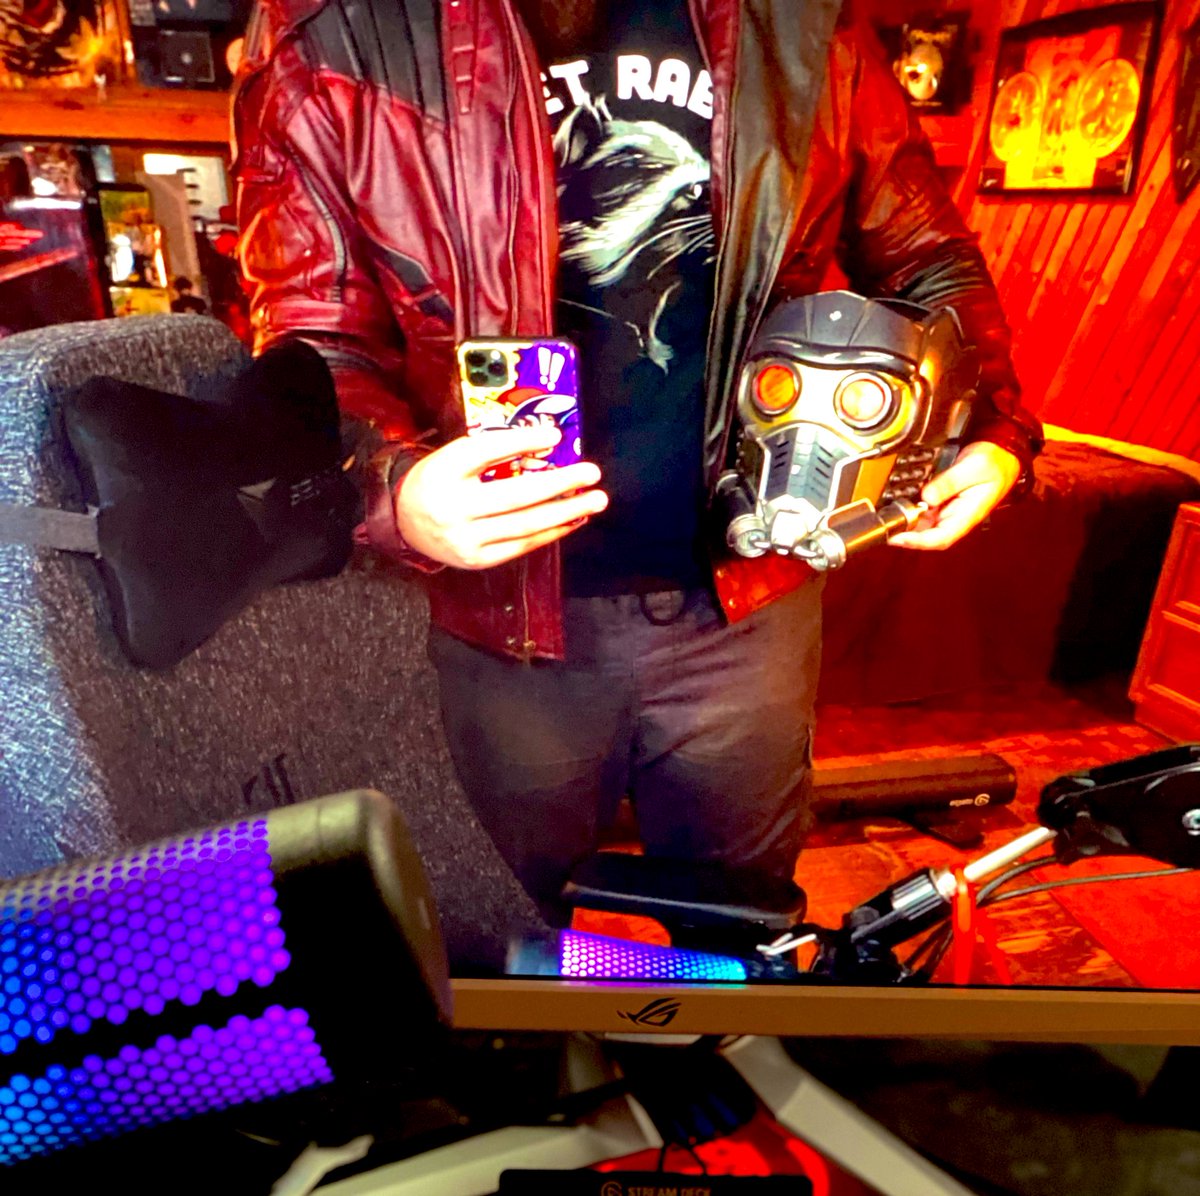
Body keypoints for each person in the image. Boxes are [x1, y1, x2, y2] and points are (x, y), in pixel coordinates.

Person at [233, 0, 1043, 928]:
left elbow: (931, 260)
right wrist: (395, 490)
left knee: (741, 933)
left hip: (750, 602)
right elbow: (313, 341)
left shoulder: (807, 20)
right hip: (500, 624)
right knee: (502, 936)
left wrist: (992, 426)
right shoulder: (334, 28)